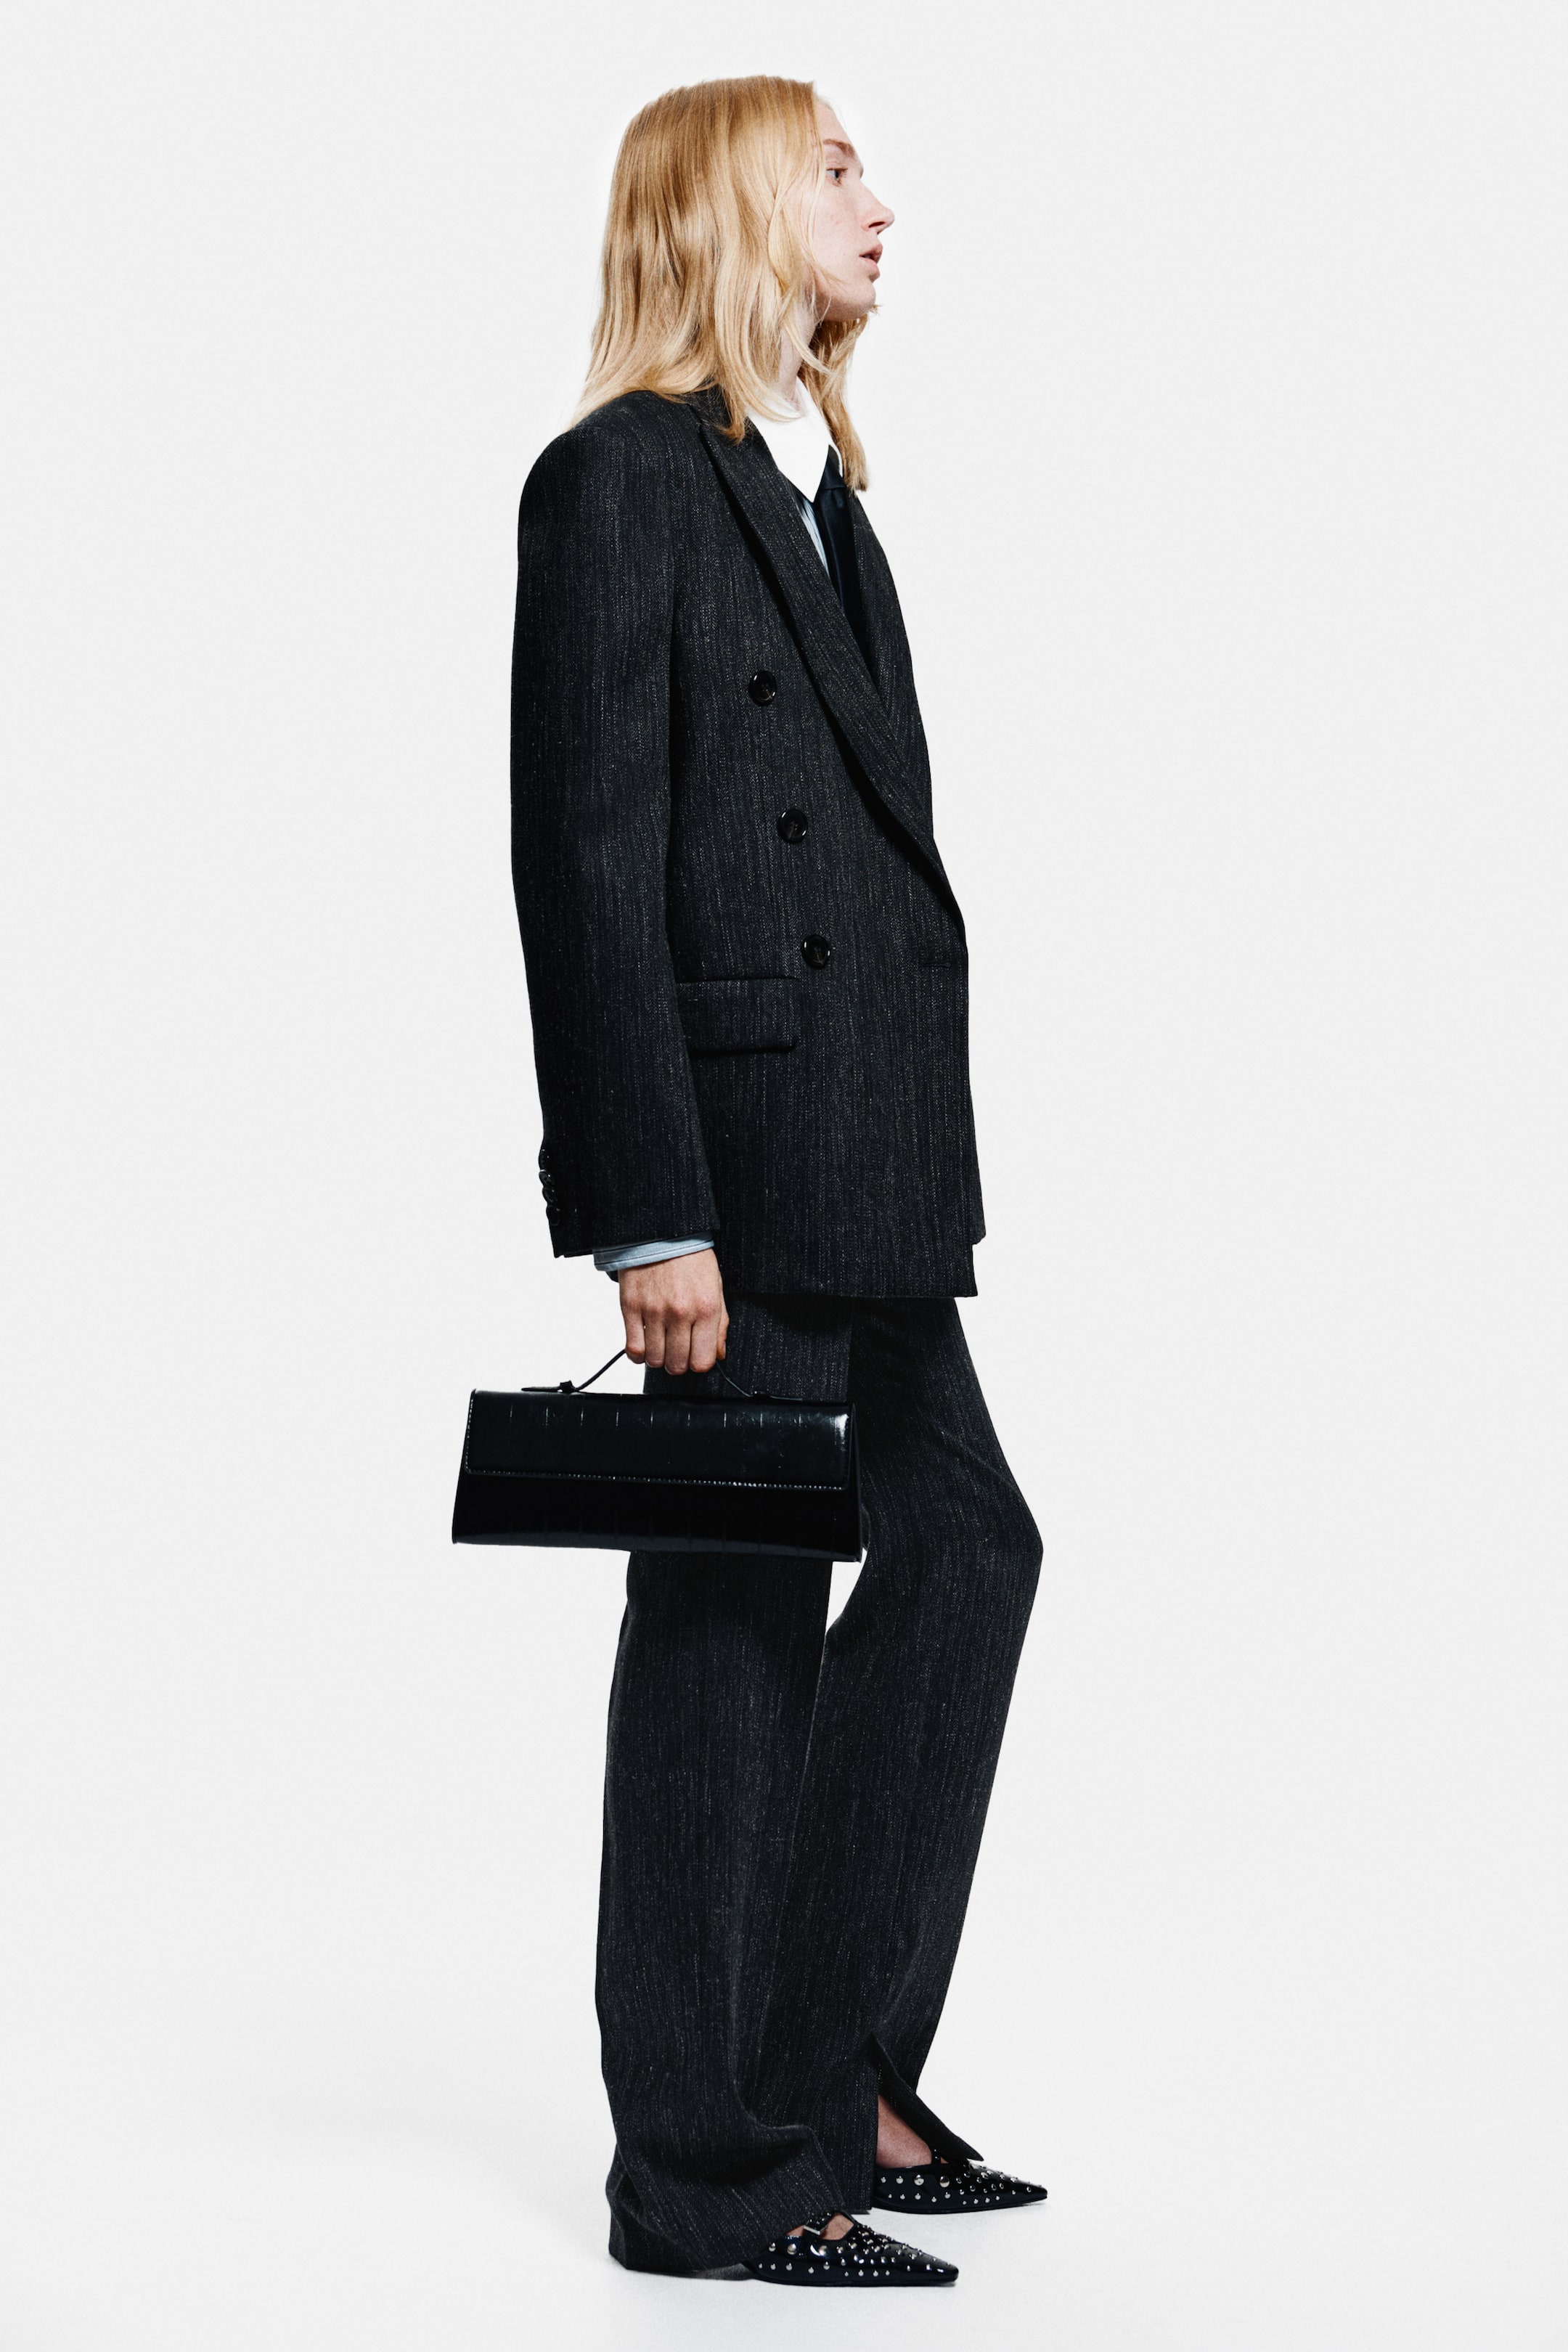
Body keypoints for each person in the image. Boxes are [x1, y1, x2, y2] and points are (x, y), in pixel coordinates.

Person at [510, 74, 1045, 2290]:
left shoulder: (822, 493)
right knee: (730, 1627)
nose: (878, 204)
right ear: (731, 200)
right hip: (734, 1167)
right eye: (835, 168)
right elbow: (585, 860)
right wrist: (649, 1211)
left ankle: (832, 2076)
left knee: (967, 1552)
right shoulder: (618, 480)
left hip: (871, 1151)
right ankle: (702, 2171)